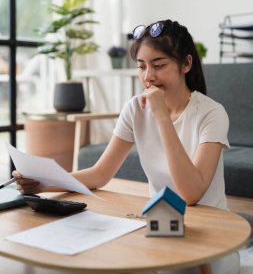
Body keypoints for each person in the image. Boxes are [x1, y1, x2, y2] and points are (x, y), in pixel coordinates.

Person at [13, 19, 239, 274]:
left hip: (211, 238)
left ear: (186, 64)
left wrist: (162, 117)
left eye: (159, 65)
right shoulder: (134, 108)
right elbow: (100, 173)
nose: (148, 77)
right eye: (142, 67)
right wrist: (44, 183)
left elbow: (190, 194)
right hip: (162, 230)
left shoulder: (211, 113)